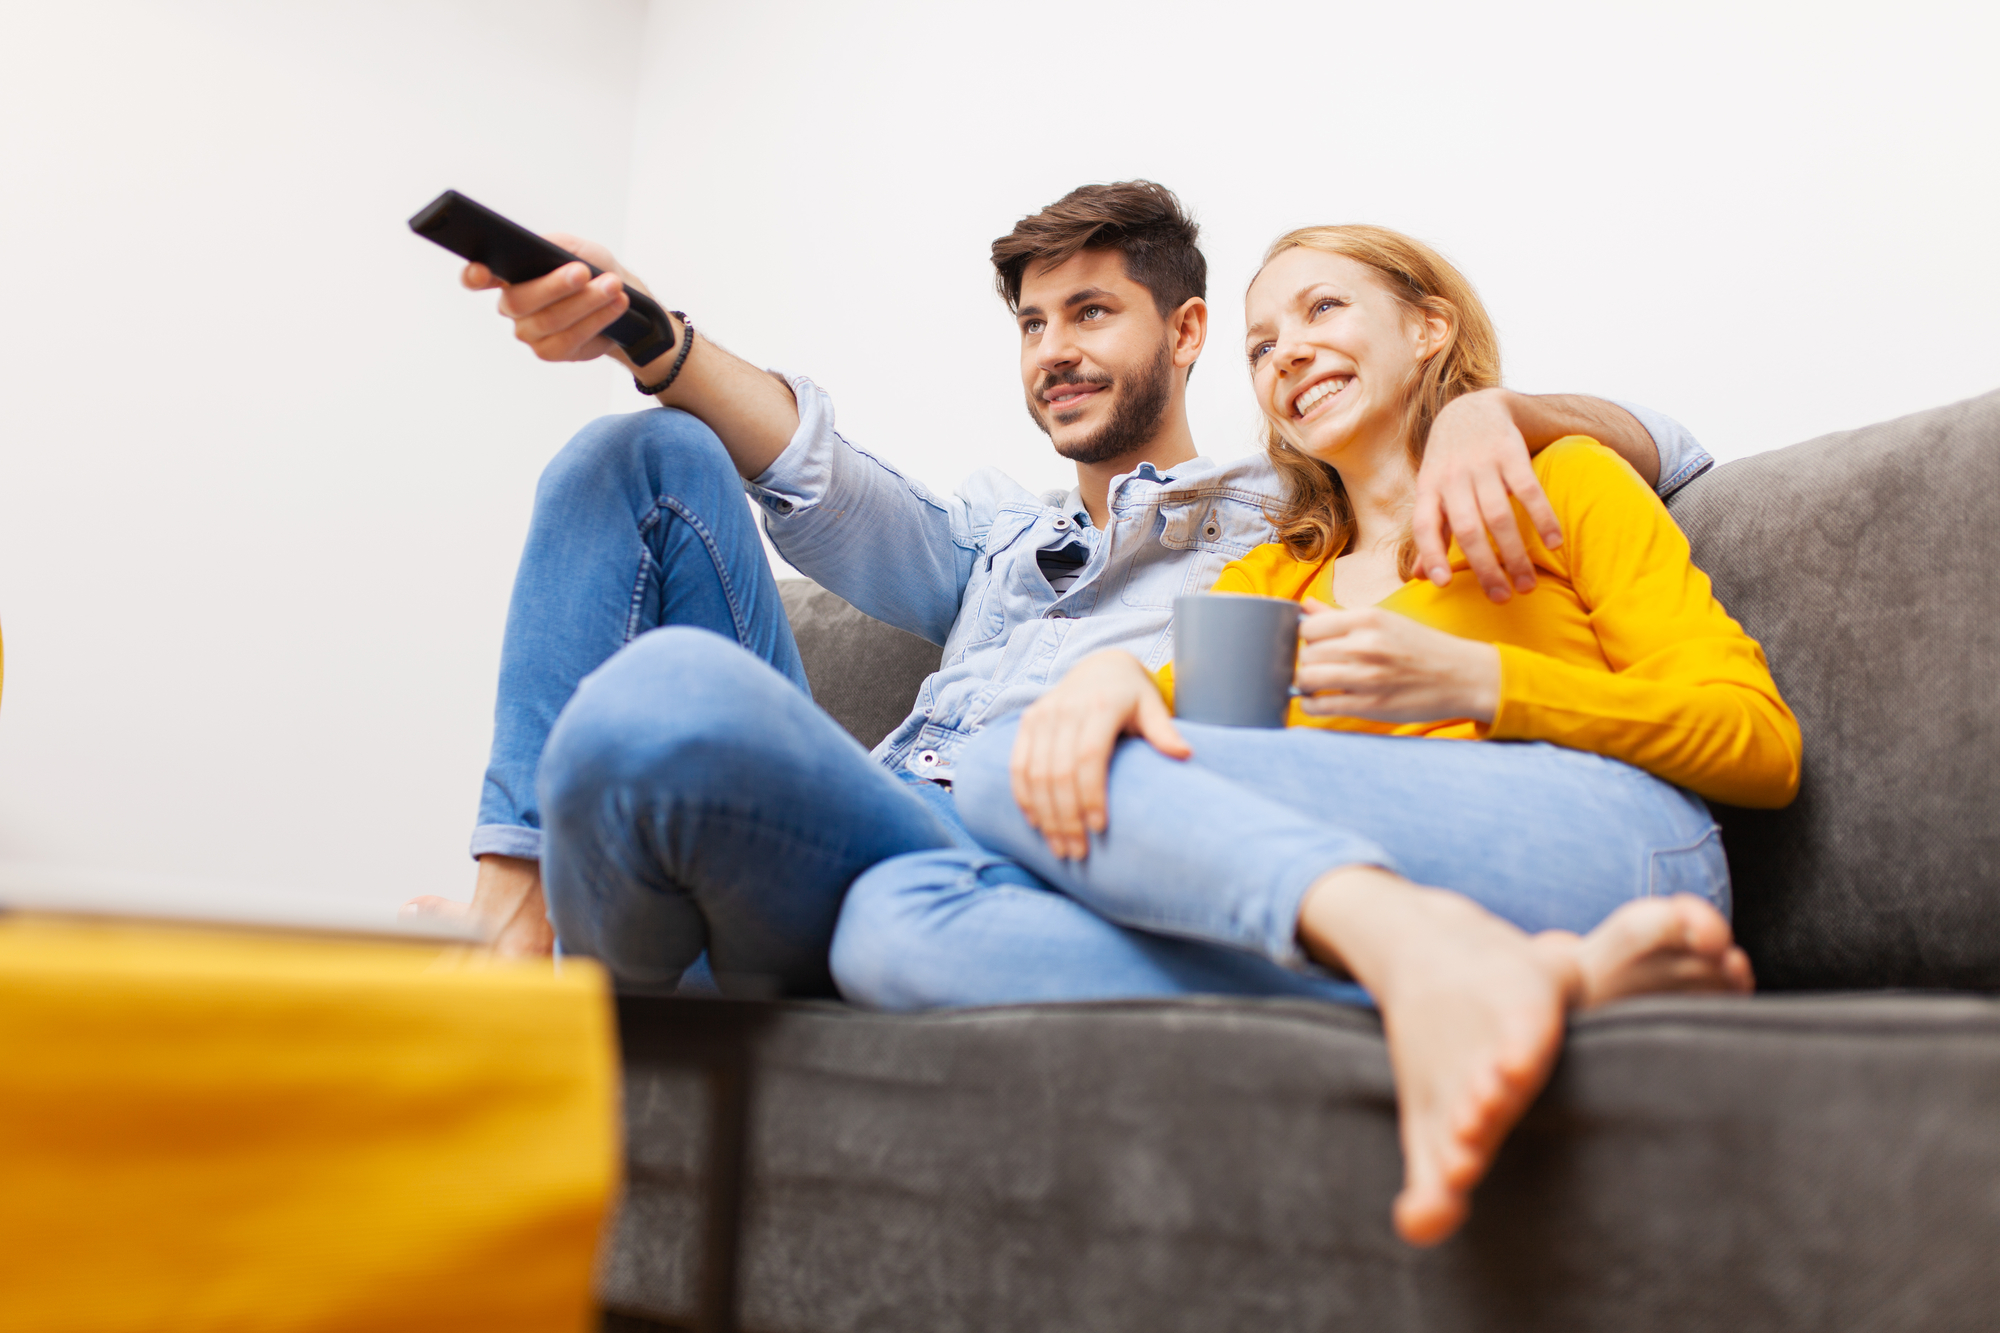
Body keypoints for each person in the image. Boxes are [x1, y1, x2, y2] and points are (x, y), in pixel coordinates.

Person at [405, 182, 1716, 1007]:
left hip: (1017, 852)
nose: (1055, 353)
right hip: (867, 821)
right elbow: (829, 480)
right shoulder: (993, 541)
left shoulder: (1289, 510)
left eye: (1090, 314)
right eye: (1034, 326)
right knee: (641, 452)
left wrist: (1504, 407)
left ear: (1191, 335)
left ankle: (587, 962)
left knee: (665, 715)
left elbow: (1678, 446)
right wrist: (649, 331)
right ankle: (520, 921)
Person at [834, 223, 1799, 1246]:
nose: (1284, 350)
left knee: (998, 763)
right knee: (890, 924)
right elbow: (1145, 760)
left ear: (1429, 327)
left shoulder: (1560, 480)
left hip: (1613, 843)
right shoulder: (1276, 573)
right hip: (1415, 892)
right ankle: (1486, 982)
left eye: (1321, 309)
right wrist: (1114, 672)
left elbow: (1757, 747)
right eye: (1258, 345)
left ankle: (1433, 957)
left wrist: (1483, 681)